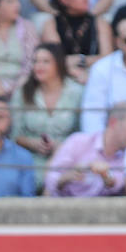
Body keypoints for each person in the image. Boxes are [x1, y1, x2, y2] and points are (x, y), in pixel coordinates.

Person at [13, 42, 84, 186]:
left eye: (45, 61)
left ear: (59, 64)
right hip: (30, 161)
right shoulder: (22, 92)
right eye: (35, 61)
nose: (38, 66)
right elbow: (14, 135)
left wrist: (62, 146)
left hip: (69, 161)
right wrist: (32, 143)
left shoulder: (77, 92)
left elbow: (83, 134)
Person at [42, 98, 126, 195]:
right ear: (113, 122)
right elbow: (50, 178)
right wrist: (65, 178)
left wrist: (106, 174)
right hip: (63, 206)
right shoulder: (78, 141)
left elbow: (116, 185)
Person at [40, 0, 113, 84]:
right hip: (63, 79)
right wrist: (75, 72)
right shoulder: (51, 24)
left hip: (96, 77)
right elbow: (55, 59)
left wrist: (80, 59)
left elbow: (108, 59)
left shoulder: (100, 23)